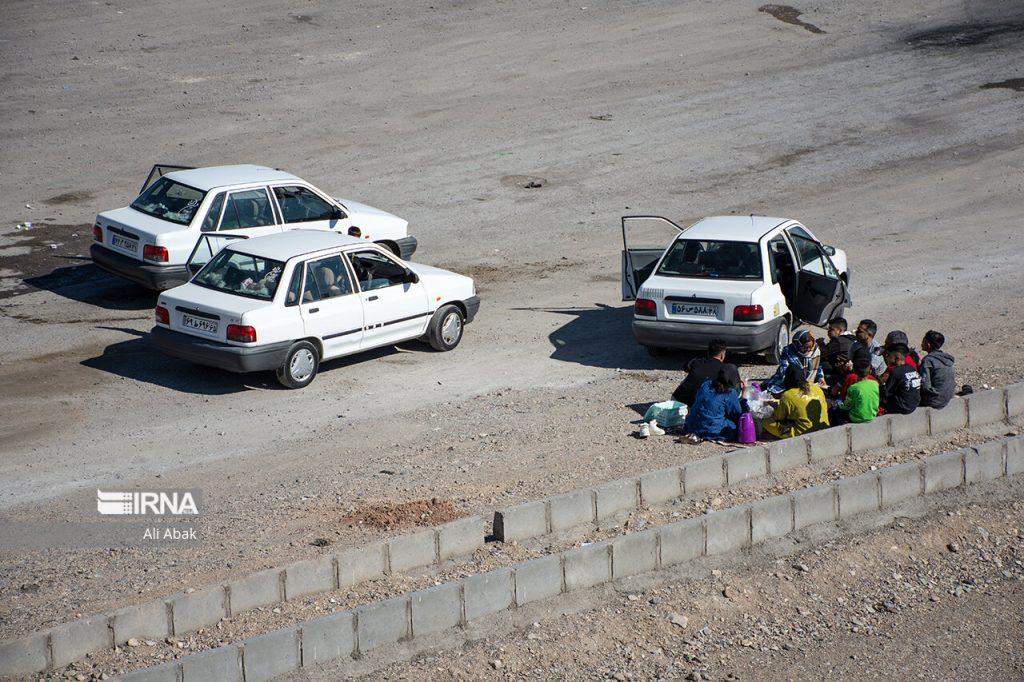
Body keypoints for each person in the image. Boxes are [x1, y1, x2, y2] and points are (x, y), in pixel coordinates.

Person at [761, 364, 830, 439]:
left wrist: (776, 407)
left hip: (803, 433)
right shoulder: (817, 388)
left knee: (766, 421)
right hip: (824, 428)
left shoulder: (788, 395)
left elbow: (778, 418)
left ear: (788, 378)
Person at [672, 339, 741, 408]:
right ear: (722, 355)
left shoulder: (696, 362)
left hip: (677, 400)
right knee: (733, 389)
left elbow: (686, 367)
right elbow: (735, 390)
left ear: (708, 352)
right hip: (697, 407)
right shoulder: (727, 368)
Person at [682, 371, 749, 442]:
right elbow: (737, 415)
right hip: (712, 431)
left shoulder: (705, 384)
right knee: (737, 426)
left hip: (692, 427)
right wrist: (744, 394)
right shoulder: (730, 392)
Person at [763, 329, 824, 395]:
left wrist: (820, 377)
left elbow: (818, 365)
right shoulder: (788, 351)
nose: (808, 350)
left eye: (810, 346)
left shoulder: (815, 350)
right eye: (805, 347)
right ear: (797, 345)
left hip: (809, 380)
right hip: (792, 379)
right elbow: (783, 369)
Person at [833, 356, 880, 424]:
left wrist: (838, 405)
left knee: (836, 410)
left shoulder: (853, 388)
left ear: (854, 371)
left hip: (857, 418)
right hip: (872, 415)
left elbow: (847, 406)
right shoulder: (875, 384)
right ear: (870, 371)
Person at [919, 330, 956, 408]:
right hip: (948, 397)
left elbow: (925, 385)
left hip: (934, 400)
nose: (921, 343)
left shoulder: (928, 360)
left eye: (923, 341)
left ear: (928, 344)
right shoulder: (946, 358)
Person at [881, 344, 922, 414]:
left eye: (888, 355)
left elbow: (887, 392)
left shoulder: (895, 371)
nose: (886, 358)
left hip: (902, 407)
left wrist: (882, 383)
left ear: (897, 357)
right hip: (914, 404)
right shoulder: (911, 368)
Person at [819, 317, 855, 384]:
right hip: (850, 374)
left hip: (845, 377)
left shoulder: (839, 341)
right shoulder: (851, 338)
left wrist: (820, 344)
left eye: (831, 329)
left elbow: (820, 353)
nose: (828, 331)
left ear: (840, 330)